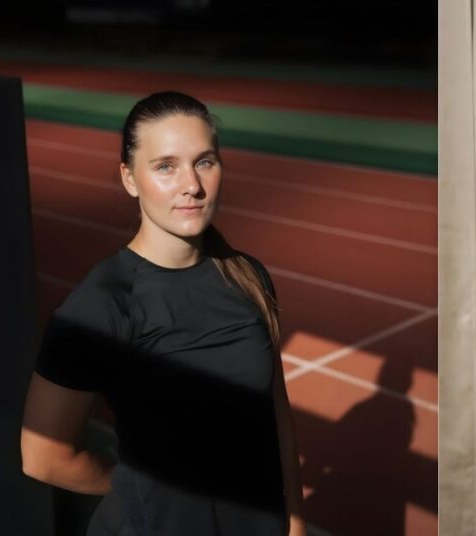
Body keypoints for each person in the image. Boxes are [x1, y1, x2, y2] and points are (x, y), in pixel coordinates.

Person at [20, 91, 306, 535]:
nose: (192, 184)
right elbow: (43, 458)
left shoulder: (248, 277)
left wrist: (295, 519)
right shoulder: (101, 304)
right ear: (129, 178)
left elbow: (276, 413)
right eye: (166, 166)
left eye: (204, 162)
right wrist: (136, 489)